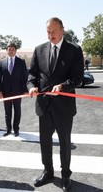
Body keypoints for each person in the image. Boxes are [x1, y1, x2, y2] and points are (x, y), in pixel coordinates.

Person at [27, 17, 84, 192]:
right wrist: (31, 87)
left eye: (54, 31)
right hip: (44, 105)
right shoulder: (39, 50)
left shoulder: (74, 50)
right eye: (48, 32)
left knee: (64, 142)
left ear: (62, 30)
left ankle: (66, 175)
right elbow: (32, 74)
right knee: (45, 142)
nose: (50, 35)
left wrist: (63, 86)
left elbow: (78, 78)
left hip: (64, 106)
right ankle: (48, 171)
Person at [0, 42, 28, 137]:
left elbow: (25, 76)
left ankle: (16, 129)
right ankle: (8, 129)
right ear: (6, 51)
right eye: (9, 49)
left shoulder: (21, 62)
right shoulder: (2, 63)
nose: (10, 51)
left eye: (12, 49)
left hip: (18, 91)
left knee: (17, 111)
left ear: (15, 51)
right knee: (7, 111)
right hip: (6, 92)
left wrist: (25, 89)